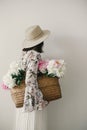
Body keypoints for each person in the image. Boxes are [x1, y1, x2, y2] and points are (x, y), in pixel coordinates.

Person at [15, 25, 50, 130]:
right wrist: (39, 99)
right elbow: (30, 80)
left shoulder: (25, 54)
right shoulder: (34, 55)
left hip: (24, 97)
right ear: (40, 42)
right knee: (32, 125)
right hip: (31, 99)